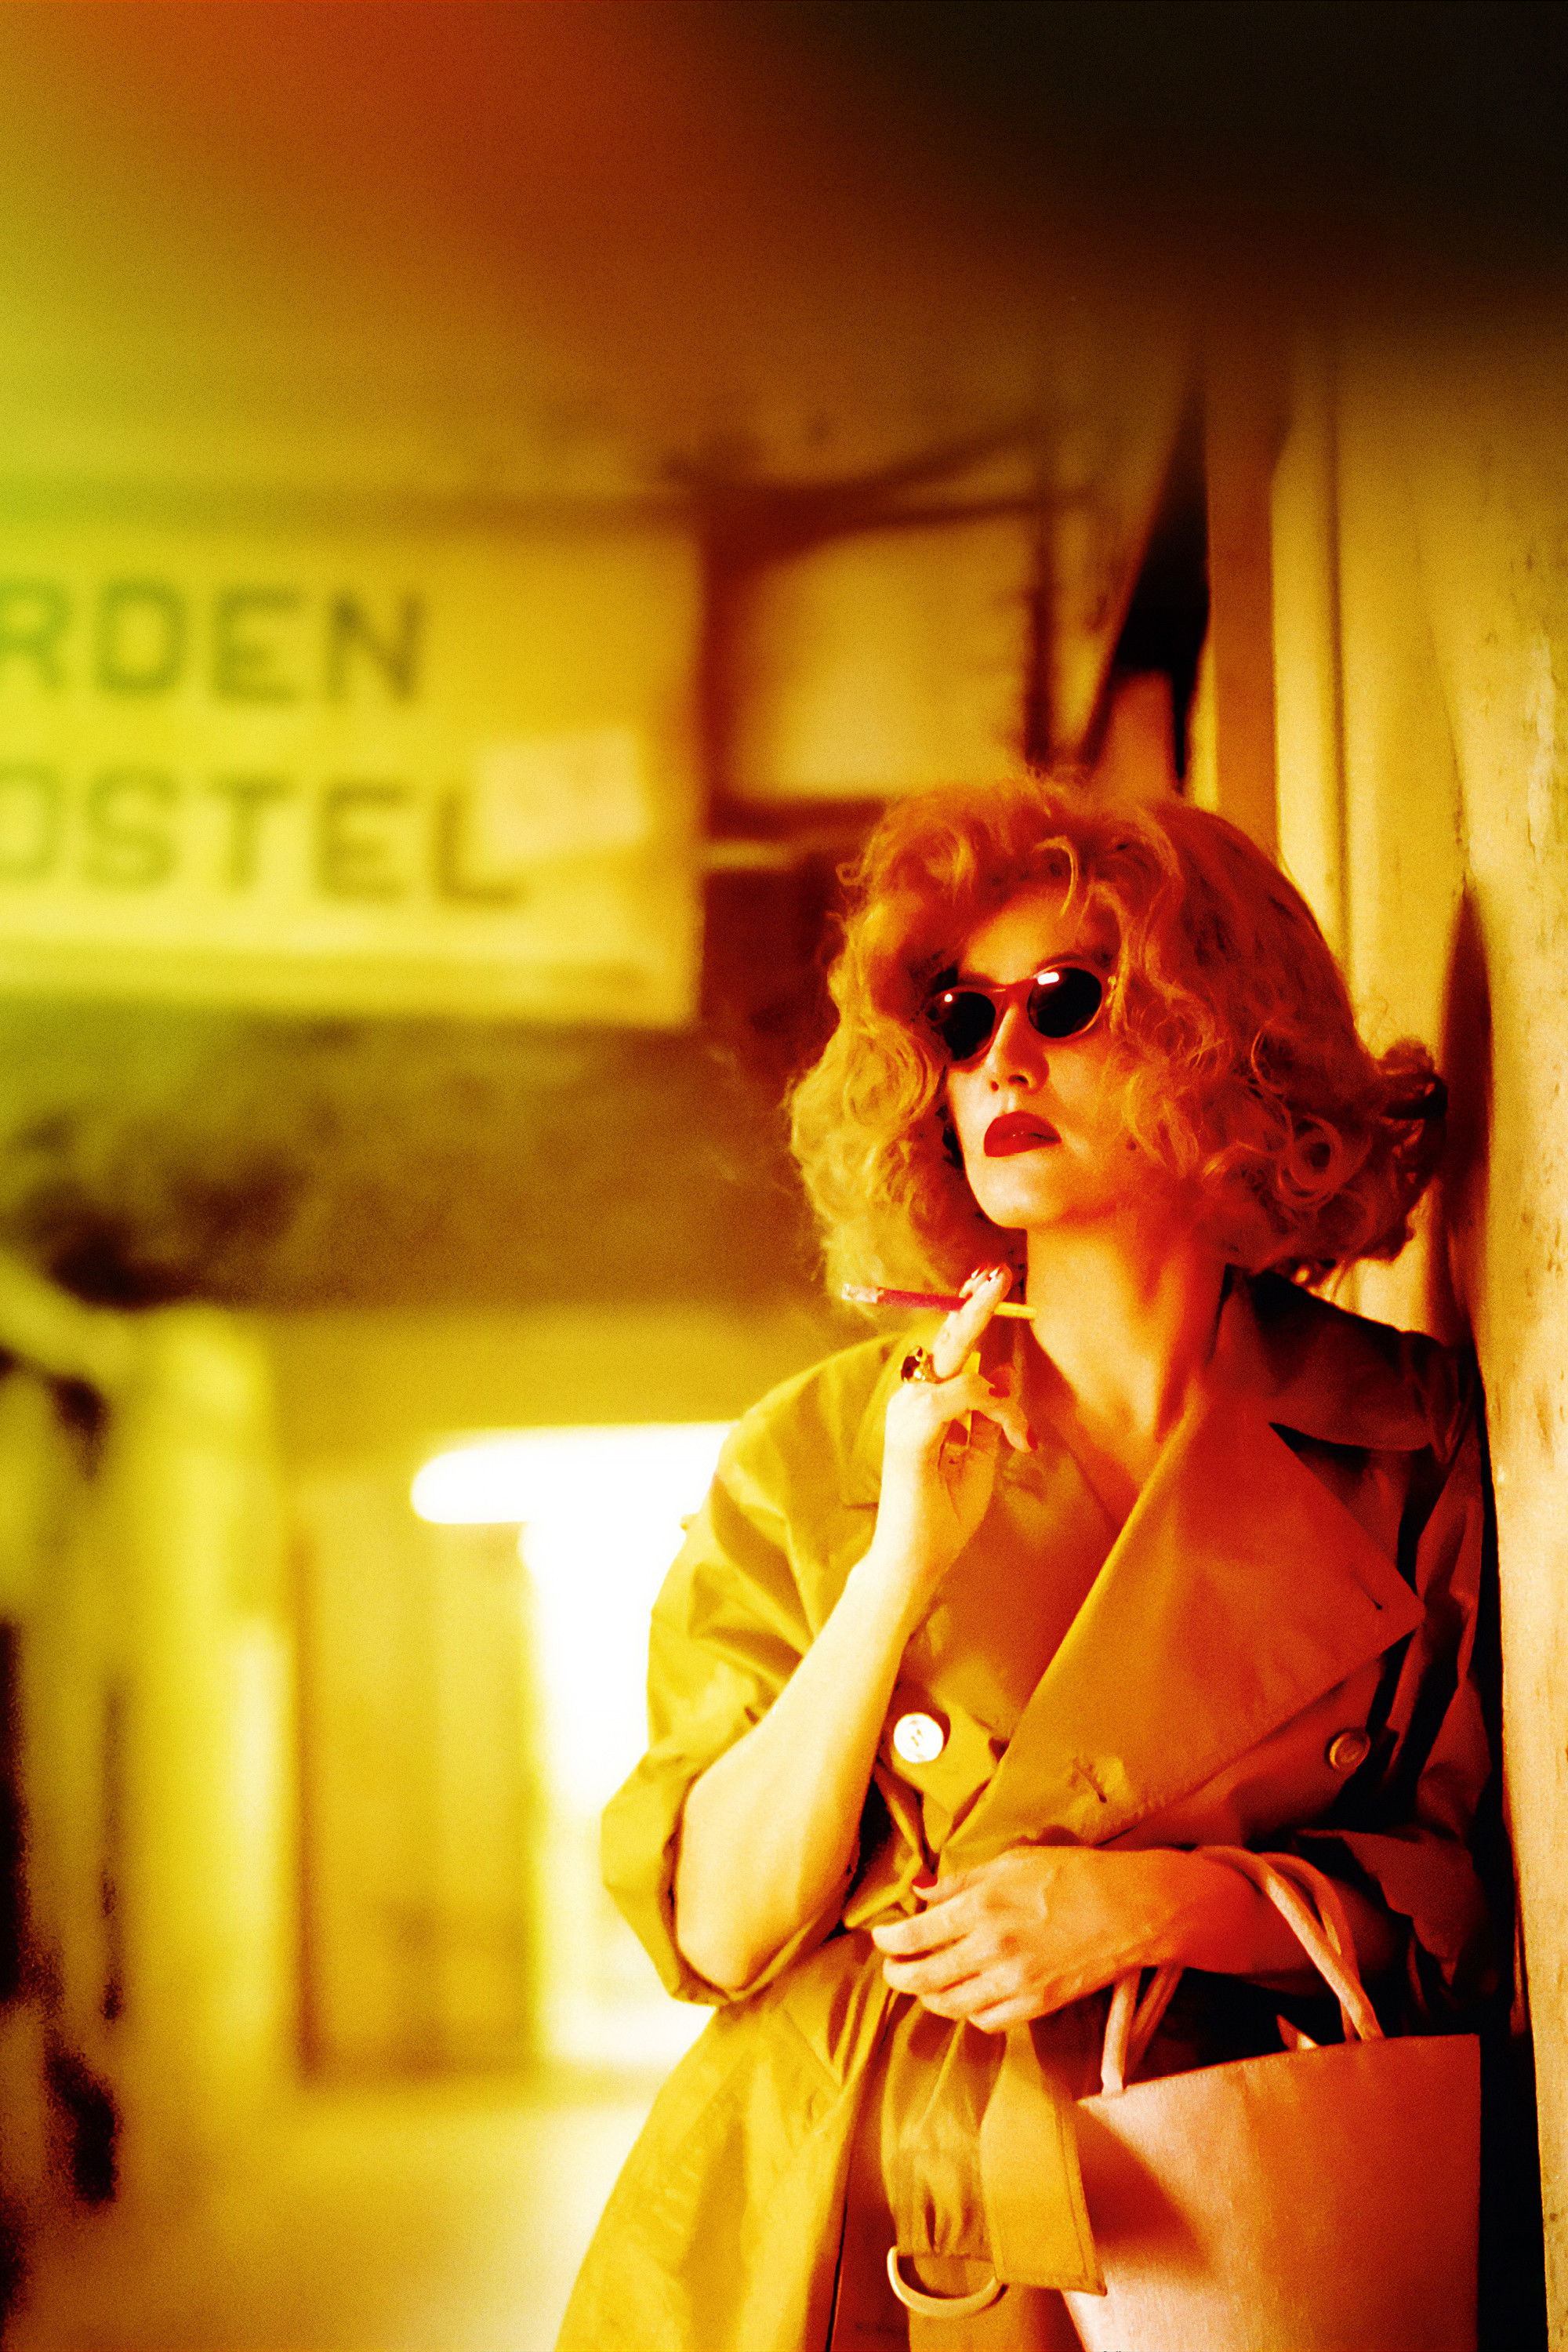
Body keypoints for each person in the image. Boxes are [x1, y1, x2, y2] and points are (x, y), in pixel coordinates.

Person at [557, 779, 1501, 2352]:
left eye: (1066, 1000)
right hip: (840, 2210)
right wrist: (899, 1563)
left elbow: (1455, 1912)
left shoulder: (1403, 1439)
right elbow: (716, 1932)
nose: (999, 1058)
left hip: (1225, 2201)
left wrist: (1162, 1907)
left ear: (1224, 1040)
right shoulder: (820, 1447)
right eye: (958, 1016)